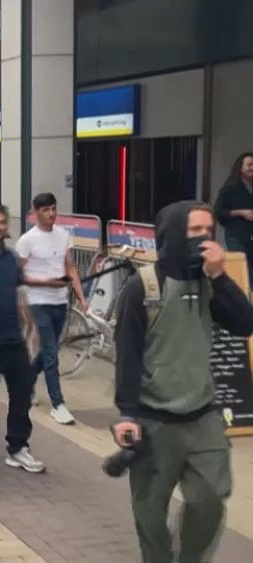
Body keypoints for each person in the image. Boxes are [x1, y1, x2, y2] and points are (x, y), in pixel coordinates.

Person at [114, 201, 253, 563]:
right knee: (150, 514)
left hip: (203, 417)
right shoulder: (142, 287)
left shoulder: (210, 282)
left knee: (209, 501)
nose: (204, 238)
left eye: (208, 230)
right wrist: (127, 413)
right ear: (173, 233)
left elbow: (244, 324)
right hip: (154, 420)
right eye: (195, 231)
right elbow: (128, 355)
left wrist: (220, 277)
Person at [0, 205, 43, 473]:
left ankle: (18, 448)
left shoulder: (11, 258)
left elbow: (19, 295)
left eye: (2, 222)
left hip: (13, 340)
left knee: (22, 395)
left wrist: (31, 329)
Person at [16, 192, 88, 425]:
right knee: (50, 351)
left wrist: (81, 297)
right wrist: (45, 282)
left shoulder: (63, 236)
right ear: (35, 213)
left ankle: (25, 383)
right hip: (37, 301)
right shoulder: (28, 240)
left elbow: (71, 267)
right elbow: (18, 274)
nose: (51, 214)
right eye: (46, 210)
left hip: (60, 300)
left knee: (50, 350)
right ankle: (58, 404)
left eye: (54, 209)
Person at [214, 152, 253, 281]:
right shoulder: (230, 188)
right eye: (249, 165)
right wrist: (240, 213)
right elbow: (218, 212)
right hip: (236, 236)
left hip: (251, 236)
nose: (252, 168)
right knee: (243, 267)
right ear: (240, 167)